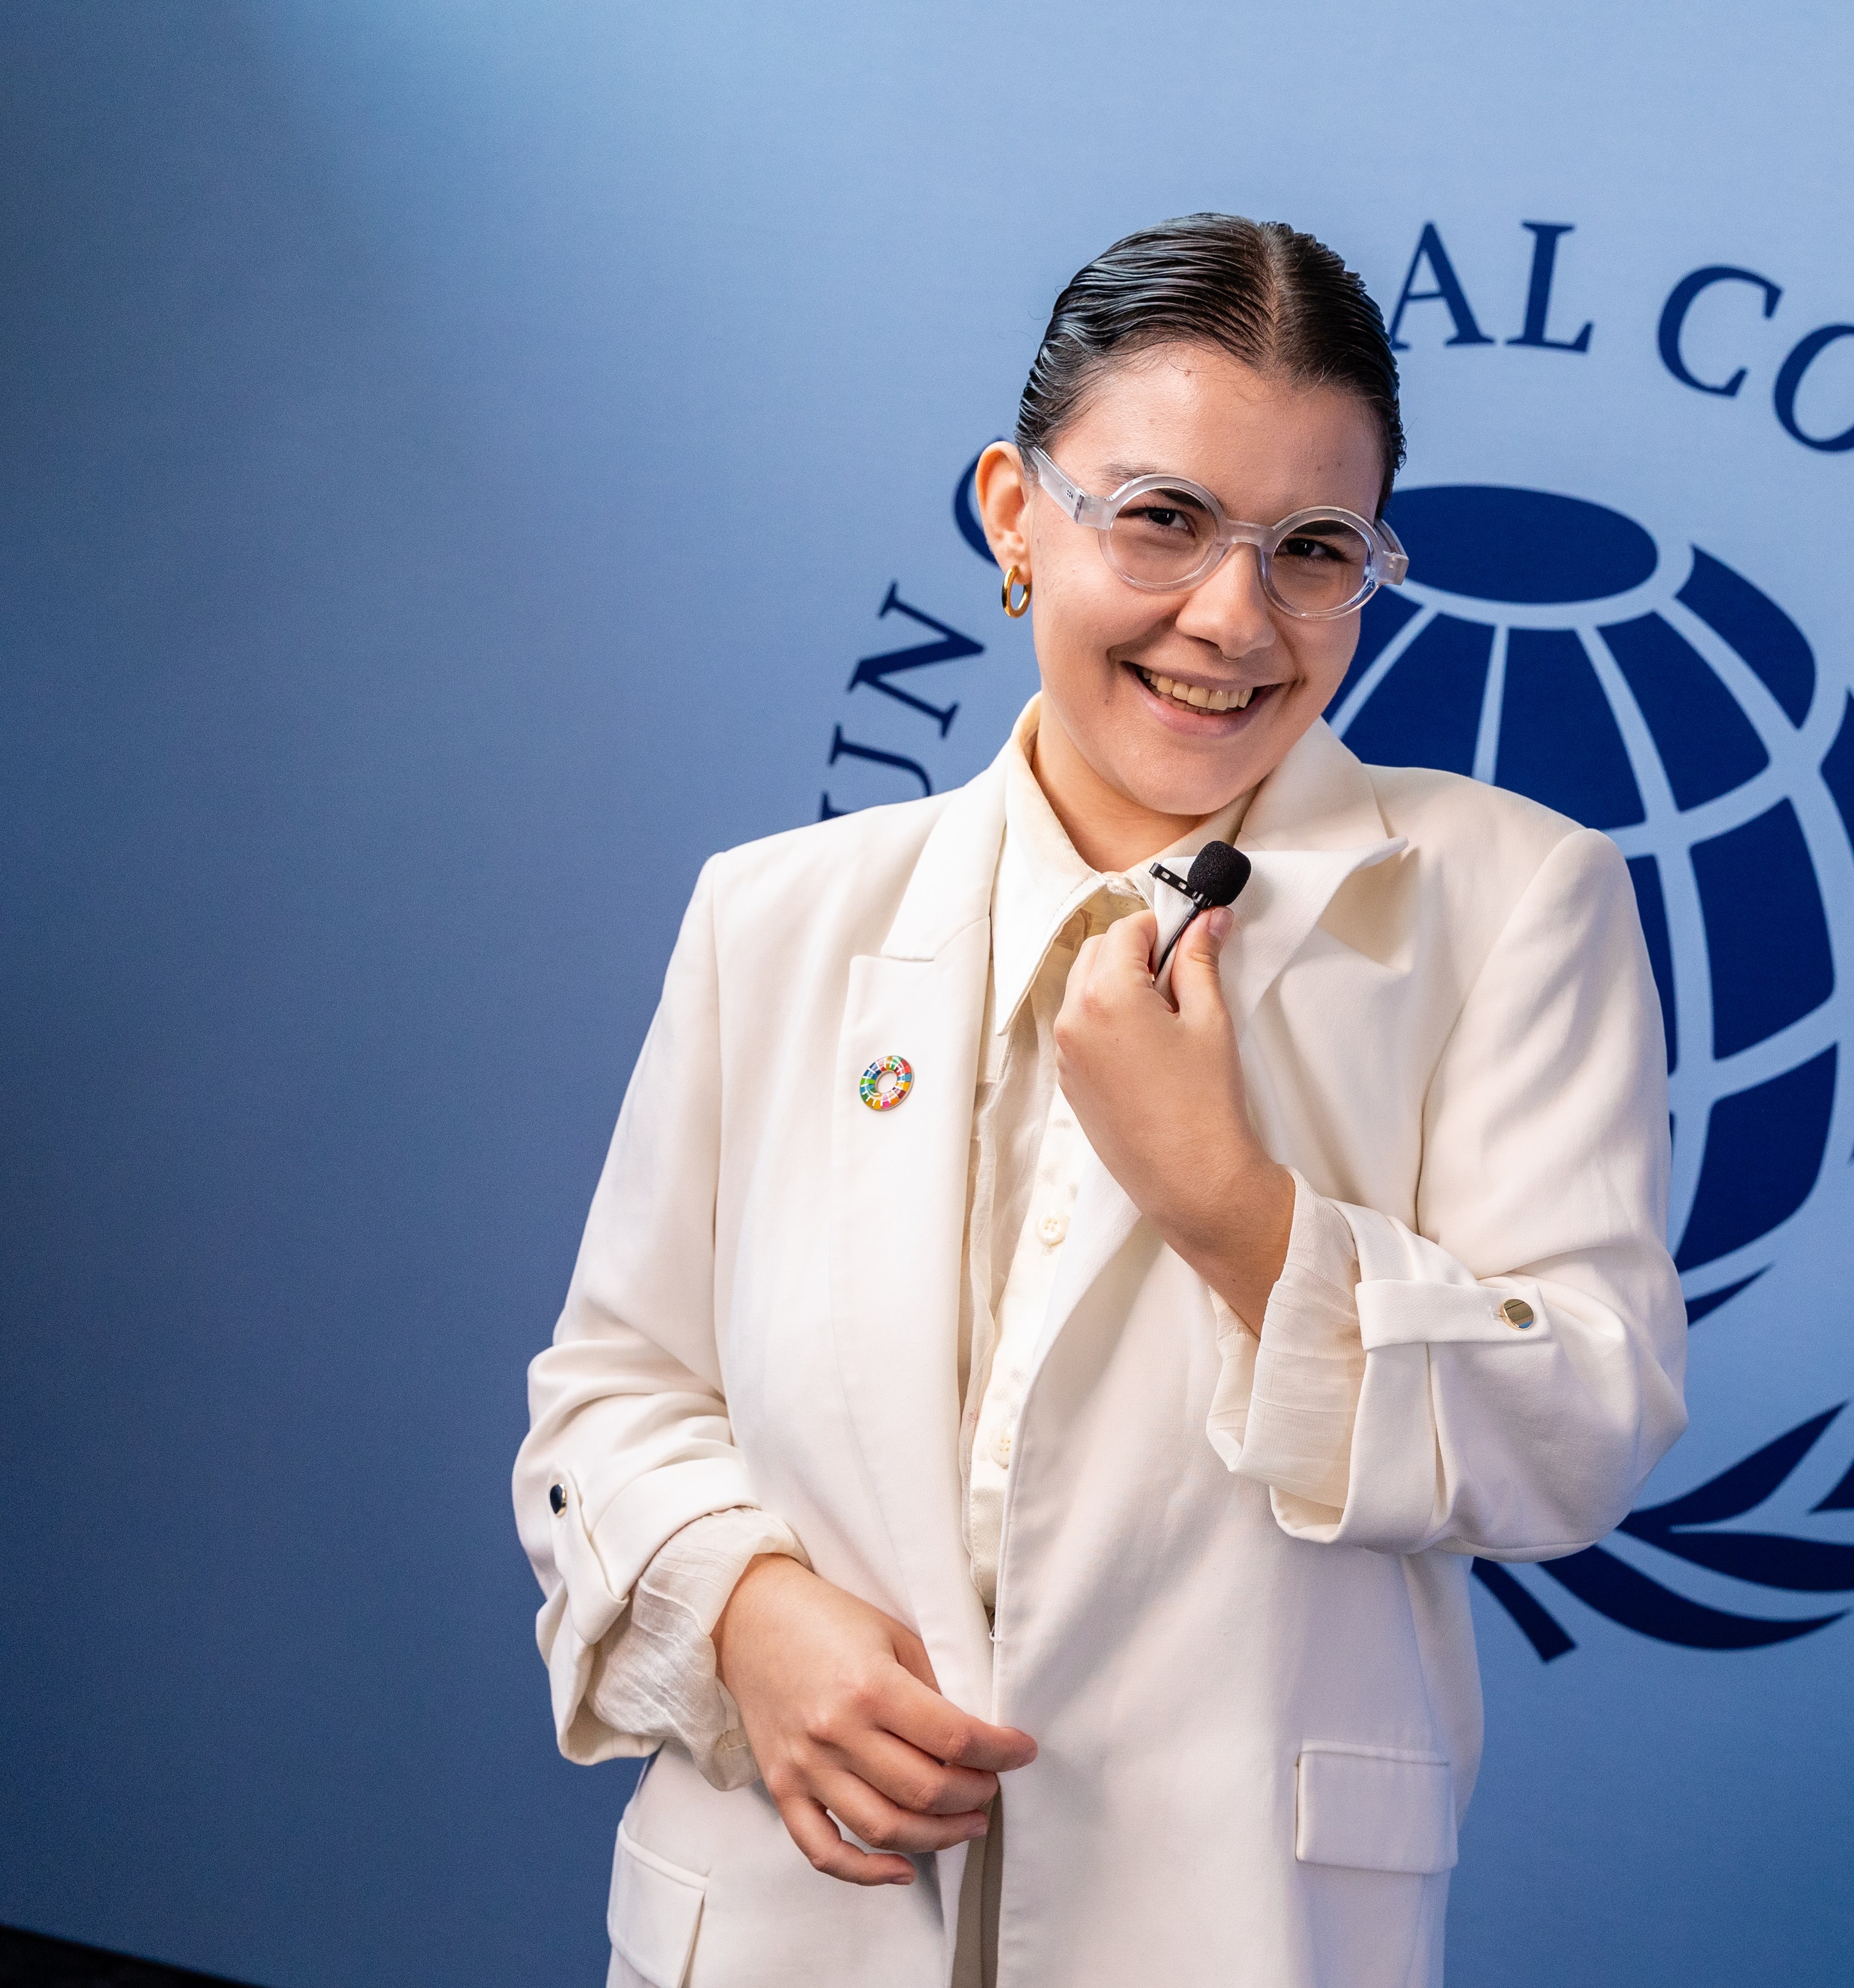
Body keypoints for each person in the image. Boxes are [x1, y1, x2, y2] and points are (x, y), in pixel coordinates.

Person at [514, 214, 1687, 1988]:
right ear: (1012, 511)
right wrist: (746, 1618)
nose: (1233, 617)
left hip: (1229, 1922)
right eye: (1159, 519)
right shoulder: (776, 917)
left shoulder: (1517, 901)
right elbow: (611, 1397)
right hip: (773, 1917)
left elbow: (1582, 1421)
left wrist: (1231, 1205)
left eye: (1313, 549)